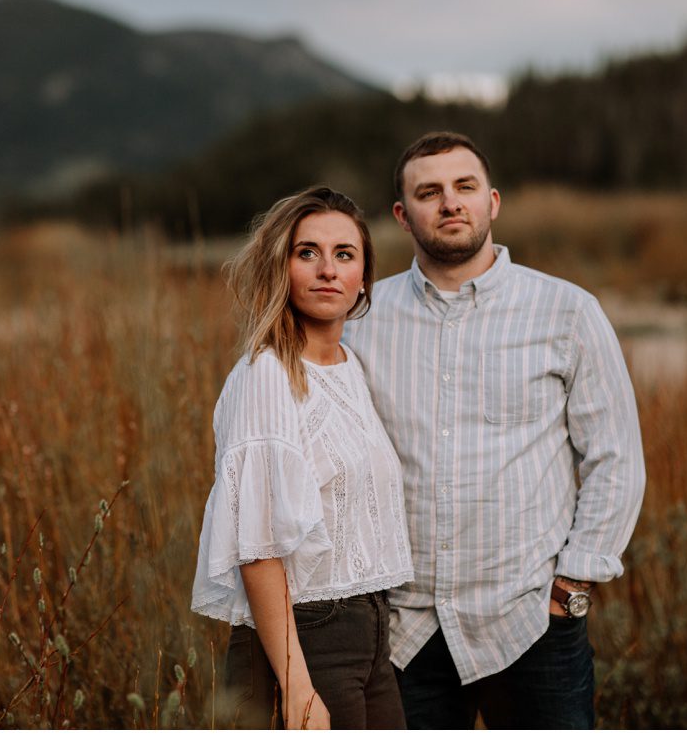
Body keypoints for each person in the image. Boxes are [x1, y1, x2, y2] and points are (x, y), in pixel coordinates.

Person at [343, 132, 646, 729]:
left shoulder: (567, 311)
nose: (449, 203)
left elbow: (615, 457)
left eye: (465, 187)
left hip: (531, 622)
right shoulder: (362, 320)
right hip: (407, 632)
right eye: (429, 192)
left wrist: (573, 586)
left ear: (493, 202)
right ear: (403, 216)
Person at [191, 186, 414, 730]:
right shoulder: (266, 373)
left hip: (371, 640)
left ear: (364, 277)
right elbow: (259, 546)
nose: (327, 270)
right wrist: (295, 684)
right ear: (281, 267)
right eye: (306, 252)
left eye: (344, 255)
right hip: (305, 642)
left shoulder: (350, 366)